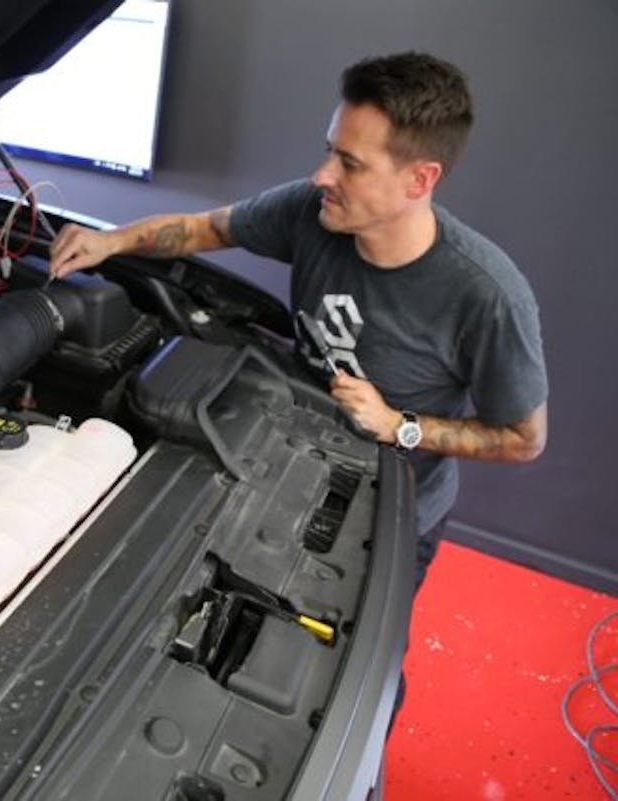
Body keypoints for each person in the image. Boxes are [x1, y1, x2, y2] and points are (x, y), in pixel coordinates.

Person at [48, 52, 548, 587]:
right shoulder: (313, 211)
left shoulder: (487, 295)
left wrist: (399, 426)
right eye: (329, 151)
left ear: (420, 179)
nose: (322, 175)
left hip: (385, 510)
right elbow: (205, 229)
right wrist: (113, 240)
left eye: (350, 164)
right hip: (284, 453)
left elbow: (523, 439)